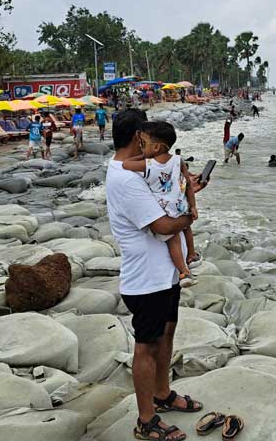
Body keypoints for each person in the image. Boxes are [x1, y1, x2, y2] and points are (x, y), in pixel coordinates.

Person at [106, 109, 205, 441]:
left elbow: (164, 194)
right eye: (145, 133)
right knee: (146, 346)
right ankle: (146, 420)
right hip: (146, 280)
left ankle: (162, 394)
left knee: (167, 333)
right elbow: (162, 225)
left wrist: (186, 190)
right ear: (138, 138)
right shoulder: (124, 177)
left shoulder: (137, 172)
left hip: (164, 275)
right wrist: (189, 217)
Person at [121, 121, 199, 284]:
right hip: (180, 204)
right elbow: (188, 185)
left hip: (165, 210)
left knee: (173, 239)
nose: (140, 146)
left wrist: (143, 155)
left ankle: (183, 271)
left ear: (156, 148)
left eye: (142, 143)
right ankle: (192, 254)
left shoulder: (148, 165)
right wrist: (193, 206)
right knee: (186, 228)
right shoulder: (179, 161)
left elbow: (125, 164)